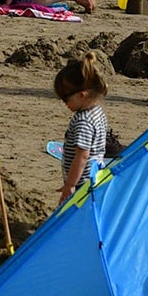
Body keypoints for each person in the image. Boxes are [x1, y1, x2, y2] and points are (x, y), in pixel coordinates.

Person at [54, 50, 111, 206]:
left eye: (65, 99)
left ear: (82, 95)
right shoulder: (97, 111)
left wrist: (70, 184)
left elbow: (82, 156)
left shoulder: (83, 121)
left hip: (82, 182)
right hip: (94, 175)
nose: (65, 104)